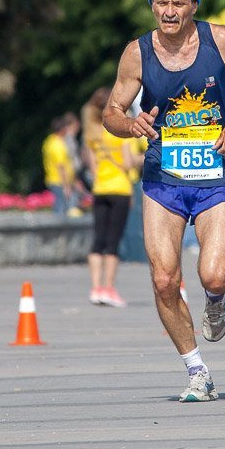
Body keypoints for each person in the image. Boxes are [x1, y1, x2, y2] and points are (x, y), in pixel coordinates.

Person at [104, 0, 225, 402]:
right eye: (161, 3)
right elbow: (111, 112)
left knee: (214, 275)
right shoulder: (135, 53)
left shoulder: (220, 40)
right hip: (164, 176)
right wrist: (131, 125)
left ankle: (218, 300)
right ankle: (197, 371)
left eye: (178, 3)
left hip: (218, 172)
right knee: (164, 280)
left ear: (193, 5)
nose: (168, 11)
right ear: (152, 6)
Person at [82, 87, 143, 308]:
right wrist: (144, 158)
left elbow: (93, 166)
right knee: (113, 241)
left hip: (100, 188)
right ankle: (109, 288)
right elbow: (128, 163)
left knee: (98, 240)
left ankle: (95, 288)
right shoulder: (121, 132)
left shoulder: (93, 134)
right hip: (120, 188)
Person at [43, 114, 81, 216]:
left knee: (60, 207)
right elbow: (61, 167)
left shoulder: (49, 141)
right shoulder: (58, 145)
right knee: (62, 210)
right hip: (59, 181)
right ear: (63, 129)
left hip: (53, 179)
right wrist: (66, 186)